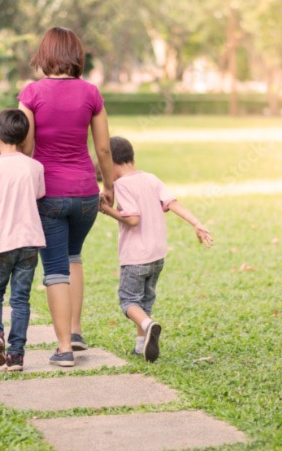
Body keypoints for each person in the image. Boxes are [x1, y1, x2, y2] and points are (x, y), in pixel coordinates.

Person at [18, 27, 114, 367]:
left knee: (56, 268)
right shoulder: (91, 92)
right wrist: (110, 187)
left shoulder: (31, 93)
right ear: (77, 56)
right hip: (87, 194)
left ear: (45, 56)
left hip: (50, 195)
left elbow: (26, 148)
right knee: (74, 256)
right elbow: (103, 148)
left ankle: (64, 349)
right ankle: (74, 330)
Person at [99, 137, 213, 362]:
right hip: (157, 256)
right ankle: (141, 346)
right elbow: (172, 203)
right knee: (144, 303)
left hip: (135, 257)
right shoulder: (151, 178)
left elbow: (132, 219)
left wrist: (106, 210)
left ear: (111, 163)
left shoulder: (122, 185)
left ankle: (148, 324)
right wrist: (197, 223)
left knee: (129, 301)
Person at [0, 109, 46, 372]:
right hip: (29, 243)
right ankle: (16, 356)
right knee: (20, 299)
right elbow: (38, 198)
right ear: (24, 136)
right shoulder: (35, 167)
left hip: (0, 243)